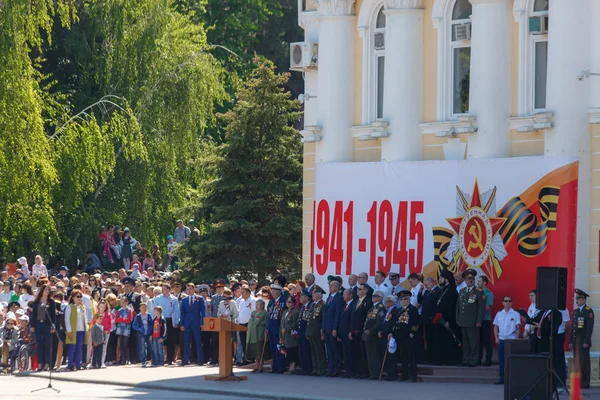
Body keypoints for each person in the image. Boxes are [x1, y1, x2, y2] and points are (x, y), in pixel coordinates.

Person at [455, 269, 484, 367]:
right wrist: (458, 319)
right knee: (465, 342)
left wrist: (479, 321)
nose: (470, 281)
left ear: (474, 279)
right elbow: (458, 307)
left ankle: (473, 360)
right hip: (463, 321)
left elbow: (481, 308)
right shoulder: (462, 291)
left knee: (473, 342)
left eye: (471, 279)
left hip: (473, 321)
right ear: (465, 280)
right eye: (468, 279)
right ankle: (465, 359)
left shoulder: (478, 292)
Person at [391, 290, 419, 382]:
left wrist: (412, 333)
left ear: (409, 299)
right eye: (401, 299)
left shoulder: (412, 309)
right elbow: (396, 323)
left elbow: (416, 323)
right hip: (400, 336)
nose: (403, 301)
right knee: (403, 357)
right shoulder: (399, 310)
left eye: (405, 299)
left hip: (408, 336)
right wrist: (394, 333)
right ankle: (404, 375)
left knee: (411, 357)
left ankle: (413, 376)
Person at [492, 295, 520, 385]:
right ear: (502, 303)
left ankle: (511, 379)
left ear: (511, 303)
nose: (508, 303)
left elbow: (518, 328)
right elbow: (495, 326)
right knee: (501, 360)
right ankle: (502, 378)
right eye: (506, 301)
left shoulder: (516, 314)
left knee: (511, 360)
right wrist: (496, 337)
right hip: (501, 340)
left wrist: (516, 339)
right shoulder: (499, 314)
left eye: (509, 301)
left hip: (511, 339)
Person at [571, 289, 594, 389]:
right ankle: (578, 382)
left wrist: (586, 341)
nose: (577, 301)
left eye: (579, 299)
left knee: (584, 363)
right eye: (576, 299)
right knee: (577, 362)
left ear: (584, 300)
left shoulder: (588, 311)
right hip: (576, 341)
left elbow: (589, 328)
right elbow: (573, 327)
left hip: (583, 341)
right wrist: (570, 341)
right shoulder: (576, 311)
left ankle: (585, 382)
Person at [30, 283, 56, 371]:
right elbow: (33, 314)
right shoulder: (37, 302)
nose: (47, 292)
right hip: (38, 324)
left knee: (47, 344)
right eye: (45, 290)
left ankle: (47, 363)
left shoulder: (51, 302)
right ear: (42, 291)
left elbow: (53, 316)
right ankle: (40, 363)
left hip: (47, 324)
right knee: (39, 344)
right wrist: (32, 325)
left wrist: (53, 326)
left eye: (48, 290)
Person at [152, 283, 180, 365]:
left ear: (169, 289)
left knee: (171, 341)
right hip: (160, 320)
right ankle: (160, 359)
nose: (163, 290)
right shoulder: (158, 298)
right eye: (162, 289)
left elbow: (176, 310)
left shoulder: (174, 299)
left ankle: (170, 359)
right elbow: (154, 310)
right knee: (160, 340)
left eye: (164, 289)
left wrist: (176, 322)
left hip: (170, 320)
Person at [179, 282, 205, 366]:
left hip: (196, 323)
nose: (189, 291)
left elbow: (202, 312)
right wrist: (181, 324)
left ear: (194, 289)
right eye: (187, 289)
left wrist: (202, 323)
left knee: (198, 341)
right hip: (187, 323)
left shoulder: (199, 298)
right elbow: (182, 313)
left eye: (190, 289)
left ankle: (200, 359)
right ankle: (185, 360)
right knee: (186, 342)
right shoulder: (184, 300)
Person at [323, 279, 344, 377]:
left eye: (332, 285)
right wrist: (322, 327)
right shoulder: (328, 297)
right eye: (329, 285)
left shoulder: (339, 298)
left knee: (335, 349)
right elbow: (325, 314)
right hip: (326, 327)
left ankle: (337, 368)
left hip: (332, 328)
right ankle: (331, 368)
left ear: (337, 287)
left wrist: (335, 328)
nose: (330, 287)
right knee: (329, 349)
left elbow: (337, 314)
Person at [363, 290, 386, 380]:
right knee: (369, 355)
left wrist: (371, 331)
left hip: (373, 335)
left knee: (374, 355)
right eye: (373, 296)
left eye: (376, 296)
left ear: (380, 298)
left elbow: (378, 322)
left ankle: (376, 373)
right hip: (367, 335)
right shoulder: (373, 307)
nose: (373, 297)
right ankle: (372, 372)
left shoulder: (381, 308)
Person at [351, 283, 373, 378]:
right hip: (354, 330)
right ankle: (359, 371)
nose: (358, 291)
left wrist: (365, 329)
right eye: (357, 289)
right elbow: (352, 317)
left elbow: (368, 317)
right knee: (356, 353)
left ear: (365, 291)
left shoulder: (368, 302)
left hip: (362, 330)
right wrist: (350, 330)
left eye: (360, 289)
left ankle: (365, 372)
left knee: (363, 352)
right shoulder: (355, 301)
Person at [418, 276, 440, 364]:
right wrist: (420, 291)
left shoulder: (437, 291)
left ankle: (434, 358)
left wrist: (433, 317)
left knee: (433, 339)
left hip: (433, 319)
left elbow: (436, 306)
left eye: (427, 284)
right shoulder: (427, 291)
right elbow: (420, 301)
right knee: (427, 339)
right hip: (426, 320)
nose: (426, 286)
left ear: (432, 282)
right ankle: (429, 357)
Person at [65, 289, 88, 371]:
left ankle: (78, 364)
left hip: (81, 329)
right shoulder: (70, 306)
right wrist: (69, 331)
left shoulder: (82, 307)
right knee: (72, 348)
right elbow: (67, 319)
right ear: (73, 297)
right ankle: (70, 364)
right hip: (73, 330)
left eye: (80, 297)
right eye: (77, 297)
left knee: (79, 348)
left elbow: (84, 318)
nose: (79, 298)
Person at [267, 283, 286, 374]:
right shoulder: (273, 302)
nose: (273, 293)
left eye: (274, 291)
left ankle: (280, 367)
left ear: (279, 292)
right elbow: (270, 316)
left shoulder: (283, 301)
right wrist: (267, 328)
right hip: (271, 329)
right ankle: (274, 366)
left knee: (279, 348)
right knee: (273, 349)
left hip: (278, 329)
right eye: (272, 291)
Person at [306, 286, 326, 376]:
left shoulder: (323, 305)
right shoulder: (312, 305)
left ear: (319, 295)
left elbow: (323, 319)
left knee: (319, 350)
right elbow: (308, 319)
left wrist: (322, 331)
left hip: (317, 331)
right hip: (311, 331)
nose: (312, 295)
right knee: (313, 351)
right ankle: (315, 368)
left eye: (314, 294)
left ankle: (321, 369)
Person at [379, 295, 398, 381]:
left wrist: (388, 333)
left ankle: (392, 374)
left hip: (389, 336)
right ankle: (387, 372)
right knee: (384, 356)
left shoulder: (395, 311)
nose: (386, 303)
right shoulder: (386, 311)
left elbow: (392, 324)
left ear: (392, 302)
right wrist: (380, 331)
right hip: (383, 335)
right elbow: (383, 322)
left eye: (387, 301)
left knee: (391, 356)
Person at [247, 299, 268, 371]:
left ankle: (260, 367)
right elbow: (250, 322)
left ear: (262, 305)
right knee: (255, 351)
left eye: (258, 304)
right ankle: (256, 366)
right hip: (252, 334)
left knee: (260, 351)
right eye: (256, 304)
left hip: (259, 334)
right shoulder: (253, 312)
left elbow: (266, 324)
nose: (256, 306)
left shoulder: (265, 313)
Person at [477, 275, 494, 366]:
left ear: (484, 282)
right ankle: (478, 358)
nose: (478, 283)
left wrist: (478, 308)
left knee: (486, 340)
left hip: (485, 319)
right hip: (476, 320)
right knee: (478, 340)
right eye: (478, 281)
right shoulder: (474, 293)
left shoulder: (488, 293)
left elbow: (487, 307)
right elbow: (471, 304)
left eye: (480, 281)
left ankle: (488, 359)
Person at [280, 297, 299, 374]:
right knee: (288, 351)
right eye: (287, 301)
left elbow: (295, 323)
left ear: (293, 303)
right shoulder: (285, 312)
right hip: (285, 335)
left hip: (291, 335)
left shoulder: (296, 312)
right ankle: (290, 367)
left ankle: (292, 368)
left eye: (290, 302)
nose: (288, 303)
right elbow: (281, 324)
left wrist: (287, 328)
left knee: (292, 351)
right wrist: (280, 335)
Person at [237, 286, 255, 365]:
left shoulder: (253, 301)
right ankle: (245, 358)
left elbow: (254, 312)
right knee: (243, 342)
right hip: (241, 324)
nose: (241, 294)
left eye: (243, 292)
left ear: (248, 293)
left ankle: (250, 359)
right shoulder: (241, 301)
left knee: (249, 342)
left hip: (249, 324)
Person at [338, 289, 354, 378]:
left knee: (350, 352)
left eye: (345, 295)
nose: (343, 296)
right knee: (345, 352)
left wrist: (351, 331)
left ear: (350, 296)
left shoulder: (353, 304)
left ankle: (351, 370)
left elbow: (352, 320)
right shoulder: (344, 305)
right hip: (343, 332)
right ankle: (347, 370)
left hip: (348, 332)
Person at [133, 302, 154, 367]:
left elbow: (152, 324)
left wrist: (151, 333)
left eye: (145, 307)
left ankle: (153, 360)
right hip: (141, 334)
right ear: (140, 308)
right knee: (142, 348)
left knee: (151, 347)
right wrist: (139, 329)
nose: (144, 309)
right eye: (142, 307)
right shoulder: (138, 316)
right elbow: (134, 325)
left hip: (148, 333)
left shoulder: (149, 315)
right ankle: (143, 361)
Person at [297, 289, 313, 375]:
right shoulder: (303, 307)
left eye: (302, 296)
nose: (300, 298)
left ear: (306, 298)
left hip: (306, 332)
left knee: (307, 351)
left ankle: (308, 368)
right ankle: (303, 368)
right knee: (302, 351)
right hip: (301, 332)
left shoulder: (310, 306)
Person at [116, 296, 133, 365]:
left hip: (126, 328)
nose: (122, 304)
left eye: (124, 302)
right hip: (120, 328)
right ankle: (123, 359)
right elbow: (117, 319)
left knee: (126, 344)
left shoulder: (129, 310)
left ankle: (128, 359)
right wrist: (123, 319)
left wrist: (121, 319)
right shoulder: (119, 310)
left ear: (126, 302)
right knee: (121, 344)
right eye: (121, 302)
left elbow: (129, 320)